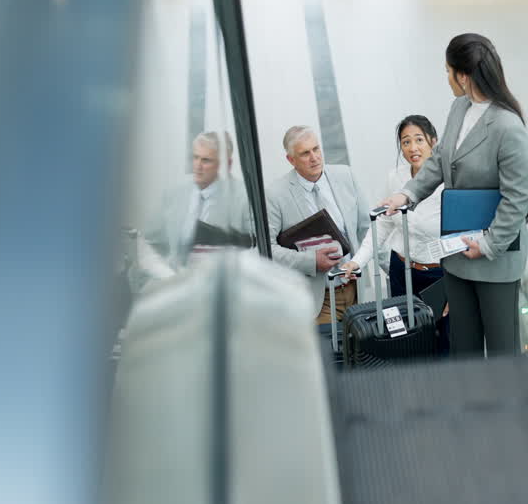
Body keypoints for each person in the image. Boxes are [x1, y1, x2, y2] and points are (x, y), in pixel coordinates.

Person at [380, 33, 528, 357]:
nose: (446, 78)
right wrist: (406, 196)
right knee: (464, 347)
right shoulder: (459, 107)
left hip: (494, 257)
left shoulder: (508, 126)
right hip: (458, 251)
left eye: (448, 71)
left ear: (463, 75)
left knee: (503, 349)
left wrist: (490, 244)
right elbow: (439, 159)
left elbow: (517, 197)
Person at [339, 115, 449, 350]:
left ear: (433, 141)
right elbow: (383, 225)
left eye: (419, 140)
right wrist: (357, 262)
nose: (412, 148)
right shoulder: (395, 177)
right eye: (406, 141)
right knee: (407, 343)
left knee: (443, 343)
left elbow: (461, 235)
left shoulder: (449, 180)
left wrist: (455, 289)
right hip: (401, 271)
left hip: (439, 275)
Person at [267, 125, 370, 324]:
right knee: (327, 355)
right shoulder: (275, 195)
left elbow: (367, 229)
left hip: (356, 290)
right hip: (317, 301)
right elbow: (265, 249)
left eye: (316, 149)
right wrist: (311, 261)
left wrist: (389, 269)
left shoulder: (345, 176)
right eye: (305, 153)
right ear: (291, 160)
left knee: (363, 353)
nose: (314, 157)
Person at [130, 131, 252, 291]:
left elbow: (255, 251)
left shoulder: (243, 198)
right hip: (171, 284)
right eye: (195, 158)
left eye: (206, 160)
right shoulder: (174, 195)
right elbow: (151, 243)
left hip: (218, 289)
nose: (197, 166)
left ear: (225, 165)